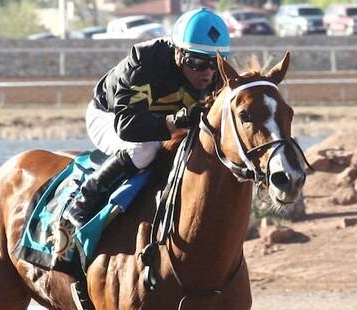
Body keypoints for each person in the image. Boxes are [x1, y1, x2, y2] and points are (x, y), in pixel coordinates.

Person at [62, 8, 232, 230]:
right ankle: (84, 200)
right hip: (110, 117)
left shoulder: (218, 74)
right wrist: (176, 121)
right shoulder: (144, 62)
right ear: (179, 52)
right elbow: (128, 127)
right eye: (197, 63)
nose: (208, 73)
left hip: (161, 121)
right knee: (146, 148)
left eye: (215, 63)